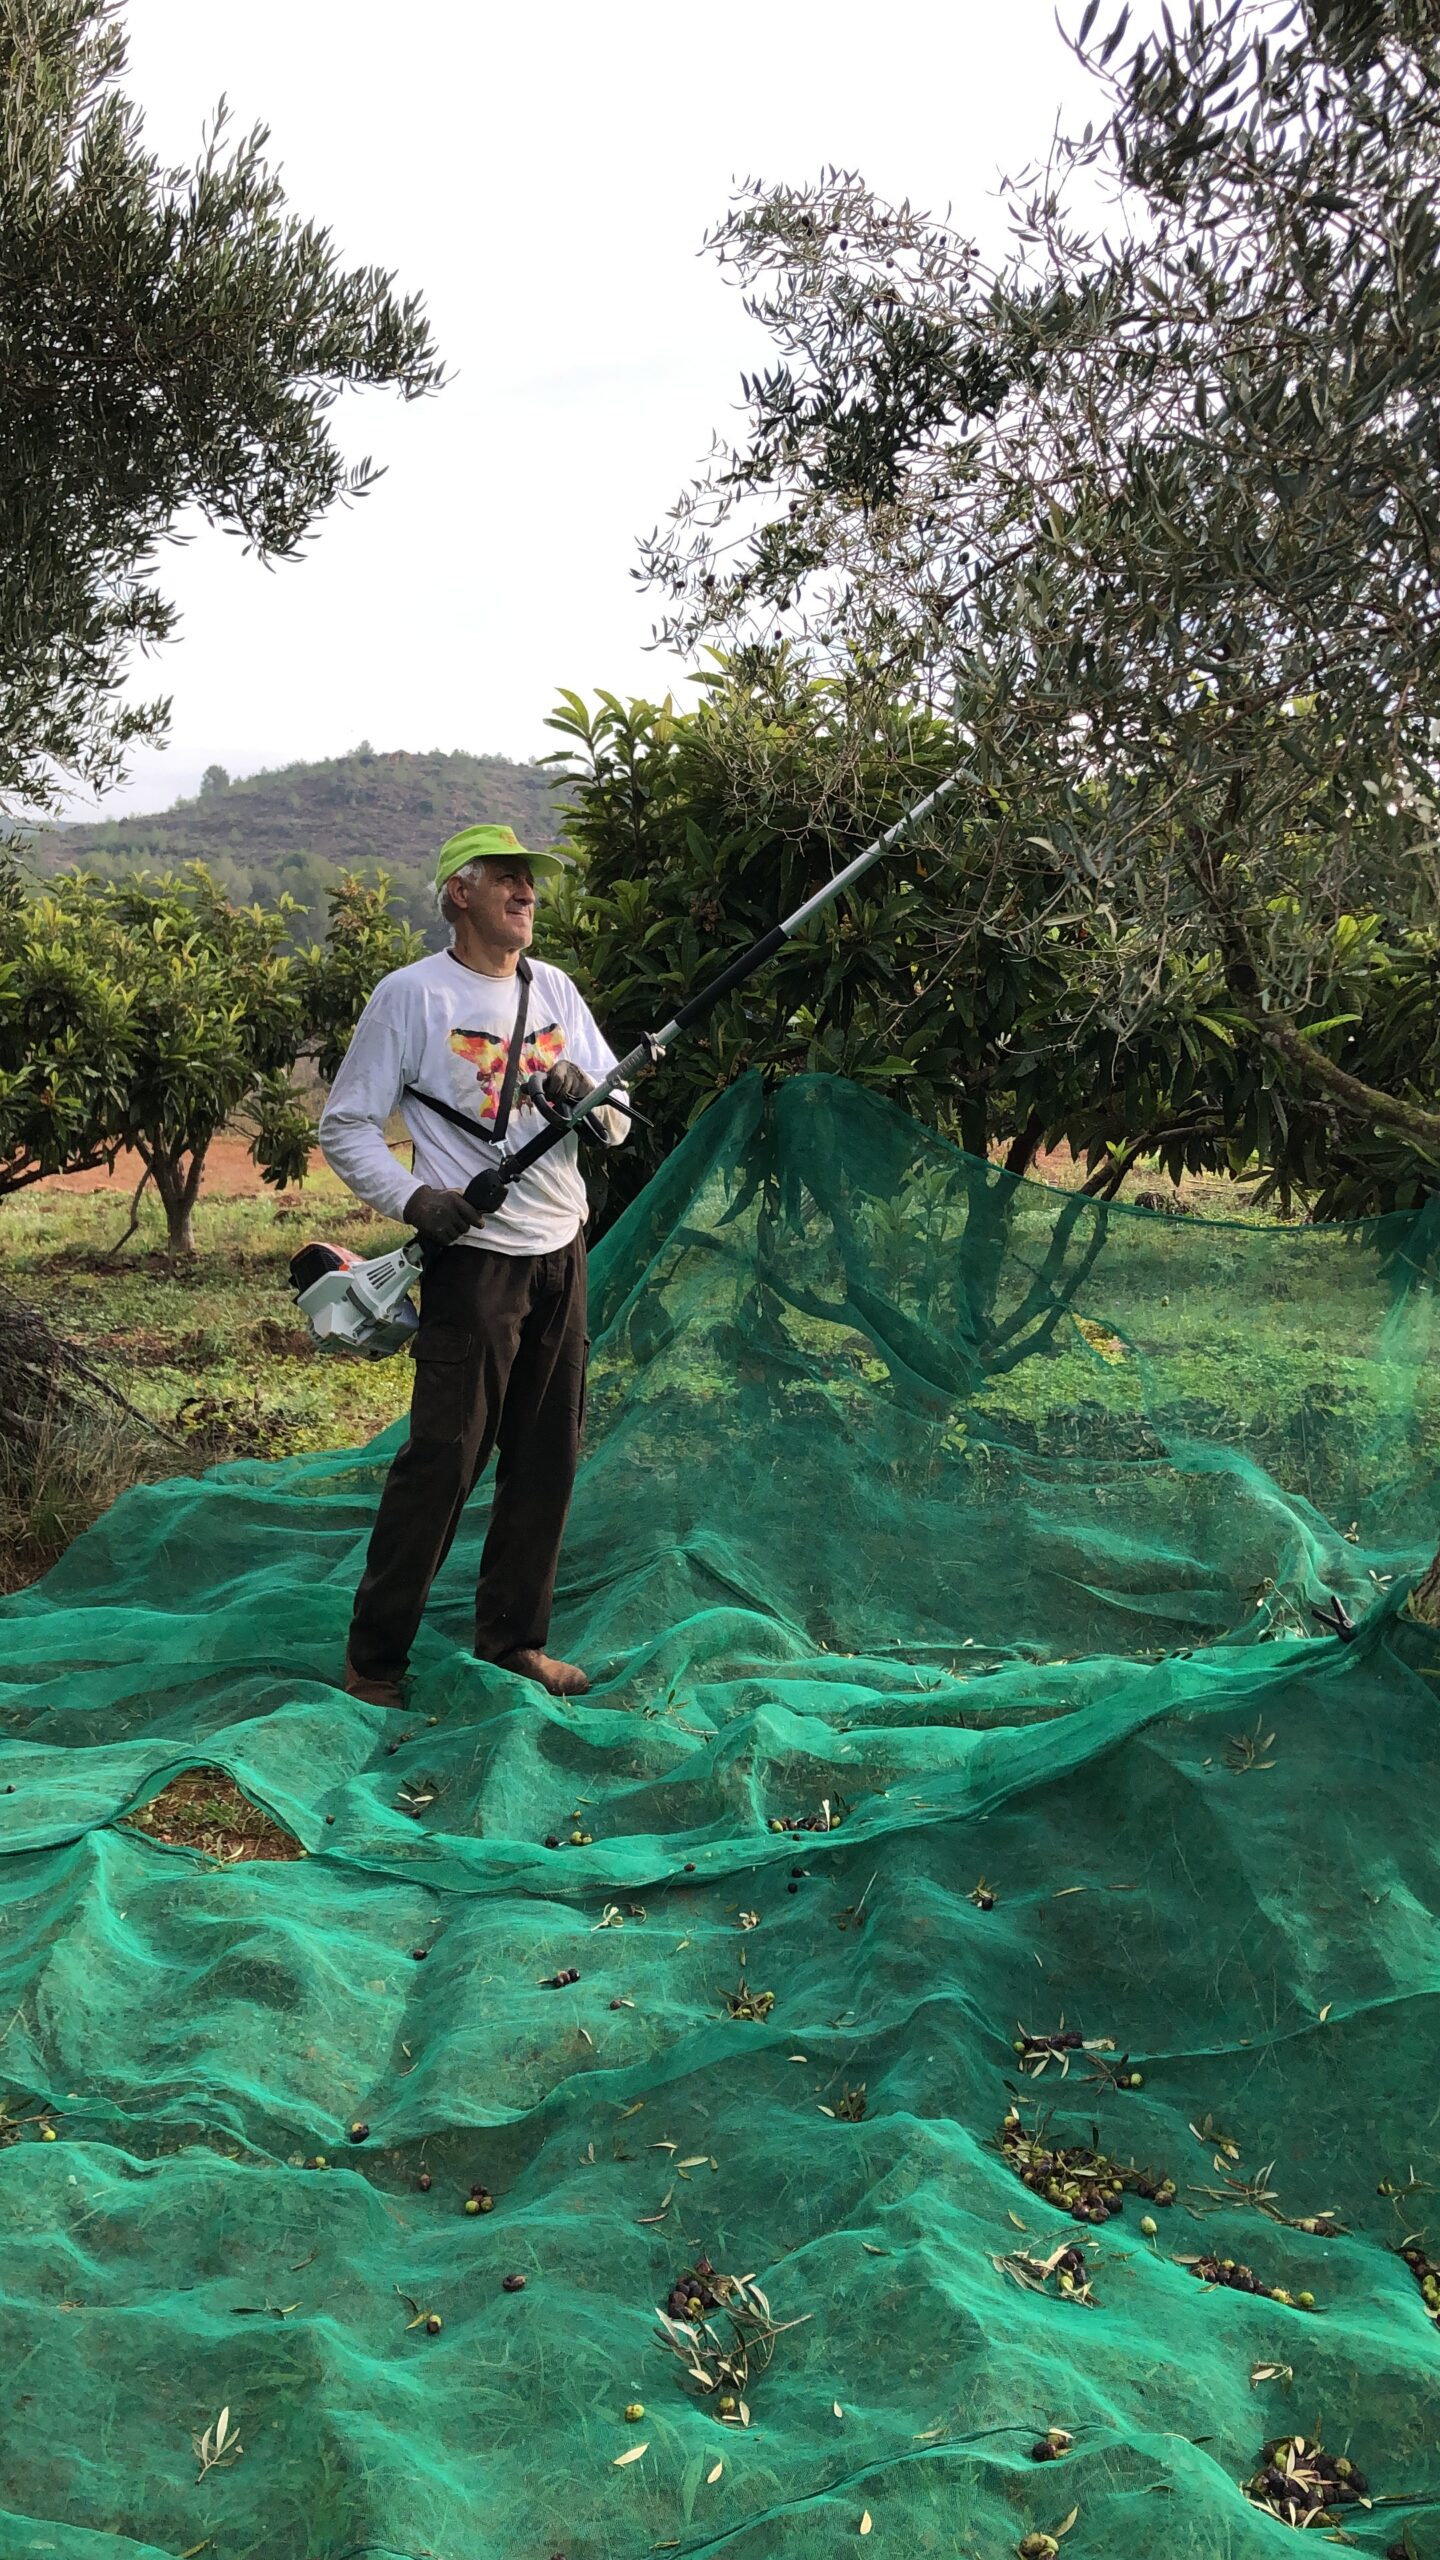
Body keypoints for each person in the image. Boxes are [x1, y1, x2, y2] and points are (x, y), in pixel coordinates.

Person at [318, 822, 626, 1706]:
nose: (526, 894)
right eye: (506, 879)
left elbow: (617, 1119)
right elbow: (346, 1124)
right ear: (460, 892)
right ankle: (376, 1660)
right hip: (476, 1262)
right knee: (444, 1460)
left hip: (561, 1249)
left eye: (531, 882)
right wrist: (416, 1200)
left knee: (547, 1455)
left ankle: (515, 1643)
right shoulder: (411, 996)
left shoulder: (555, 990)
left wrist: (587, 1096)